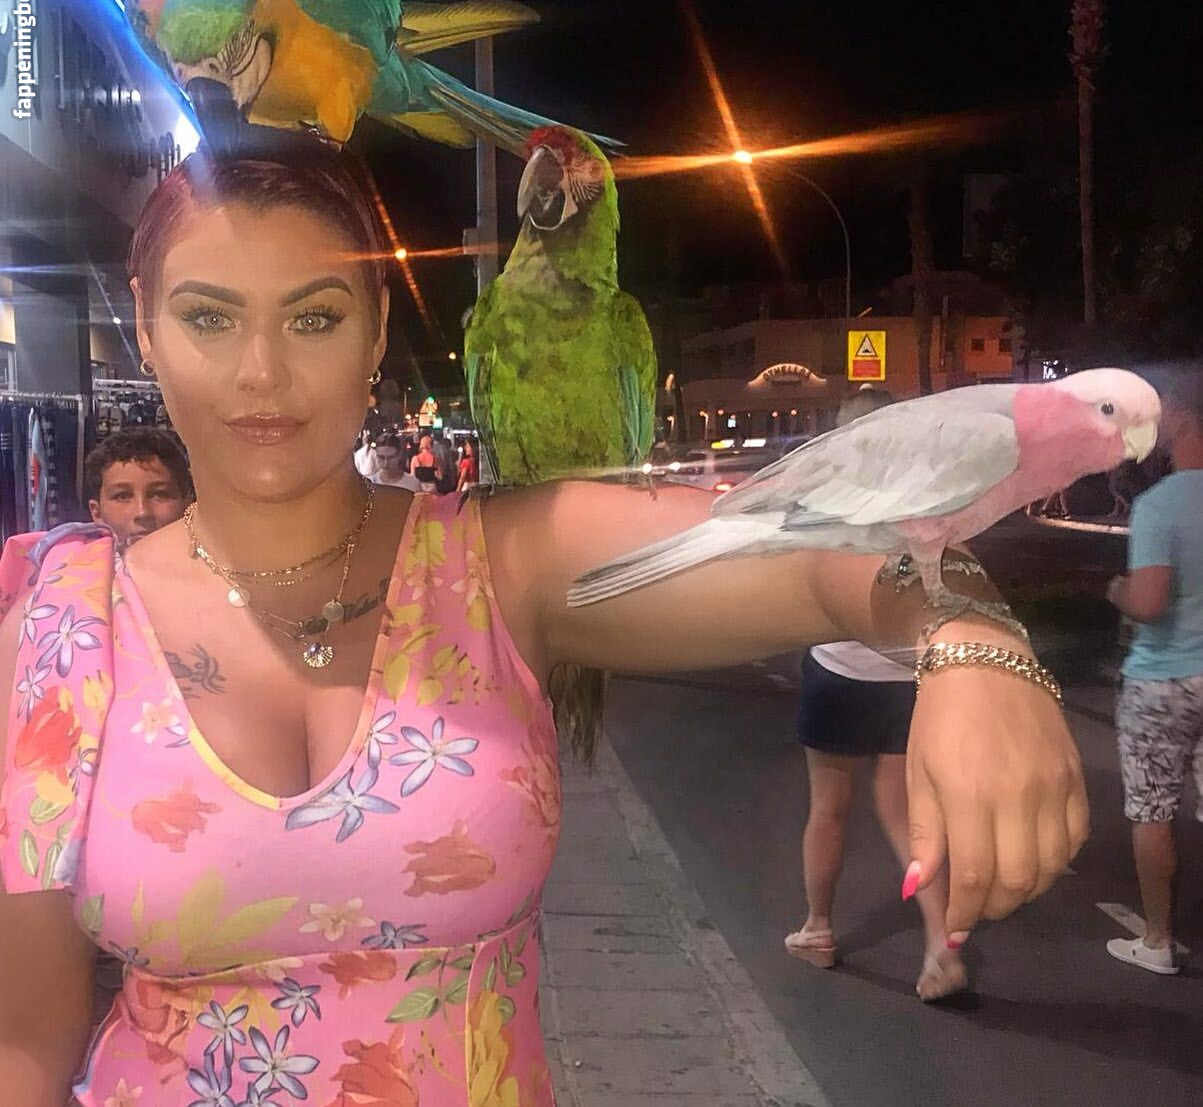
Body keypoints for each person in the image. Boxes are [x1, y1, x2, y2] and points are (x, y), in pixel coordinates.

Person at [0, 142, 1086, 1107]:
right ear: (145, 326)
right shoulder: (61, 629)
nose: (261, 372)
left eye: (314, 316)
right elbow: (23, 1045)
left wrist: (976, 648)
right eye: (208, 316)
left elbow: (825, 554)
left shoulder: (499, 561)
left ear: (377, 330)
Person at [785, 388, 966, 1001]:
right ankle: (940, 944)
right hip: (907, 676)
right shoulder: (933, 499)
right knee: (910, 814)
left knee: (828, 808)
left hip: (838, 668)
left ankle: (818, 928)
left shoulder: (829, 501)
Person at [1105, 367, 1203, 975]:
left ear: (1186, 421)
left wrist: (1118, 590)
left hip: (1162, 681)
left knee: (1152, 810)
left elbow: (1149, 602)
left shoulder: (1159, 505)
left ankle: (1158, 941)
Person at [84, 427, 193, 550]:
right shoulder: (73, 560)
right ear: (97, 513)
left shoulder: (208, 560)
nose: (142, 513)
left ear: (188, 506)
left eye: (159, 494)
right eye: (122, 496)